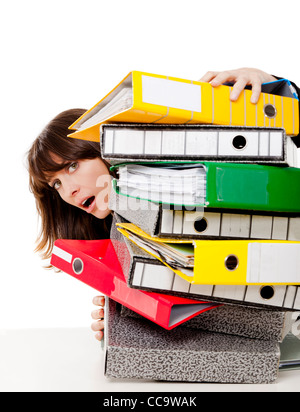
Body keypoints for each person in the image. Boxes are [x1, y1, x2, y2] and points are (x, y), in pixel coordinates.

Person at [27, 68, 300, 343]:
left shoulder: (183, 177)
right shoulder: (124, 233)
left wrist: (271, 86)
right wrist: (129, 315)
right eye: (56, 184)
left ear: (105, 144)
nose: (69, 191)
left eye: (73, 166)